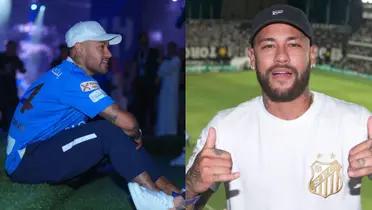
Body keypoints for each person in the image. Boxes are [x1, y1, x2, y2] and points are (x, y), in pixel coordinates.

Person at [185, 4, 372, 210]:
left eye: (293, 45)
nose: (281, 56)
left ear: (312, 55)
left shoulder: (358, 124)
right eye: (268, 46)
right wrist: (192, 186)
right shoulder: (223, 129)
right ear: (252, 58)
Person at [5, 21, 182, 210]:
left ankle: (173, 193)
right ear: (79, 48)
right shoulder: (73, 79)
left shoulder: (63, 73)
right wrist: (136, 133)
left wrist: (129, 135)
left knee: (117, 133)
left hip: (35, 152)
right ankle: (155, 201)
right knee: (110, 131)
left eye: (108, 47)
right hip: (26, 161)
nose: (109, 54)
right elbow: (128, 123)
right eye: (101, 47)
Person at [155, 42, 181, 136]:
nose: (169, 50)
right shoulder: (167, 61)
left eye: (171, 48)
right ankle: (162, 132)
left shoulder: (176, 60)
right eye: (169, 48)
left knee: (171, 112)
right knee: (163, 111)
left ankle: (170, 132)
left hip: (172, 92)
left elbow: (163, 70)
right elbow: (160, 73)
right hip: (164, 91)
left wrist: (162, 60)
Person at [0, 40, 26, 132]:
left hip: (11, 91)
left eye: (14, 48)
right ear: (7, 47)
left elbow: (23, 70)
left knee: (11, 112)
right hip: (1, 90)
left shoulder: (15, 58)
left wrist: (21, 68)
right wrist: (4, 72)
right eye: (11, 47)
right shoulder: (1, 57)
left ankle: (7, 131)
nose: (12, 49)